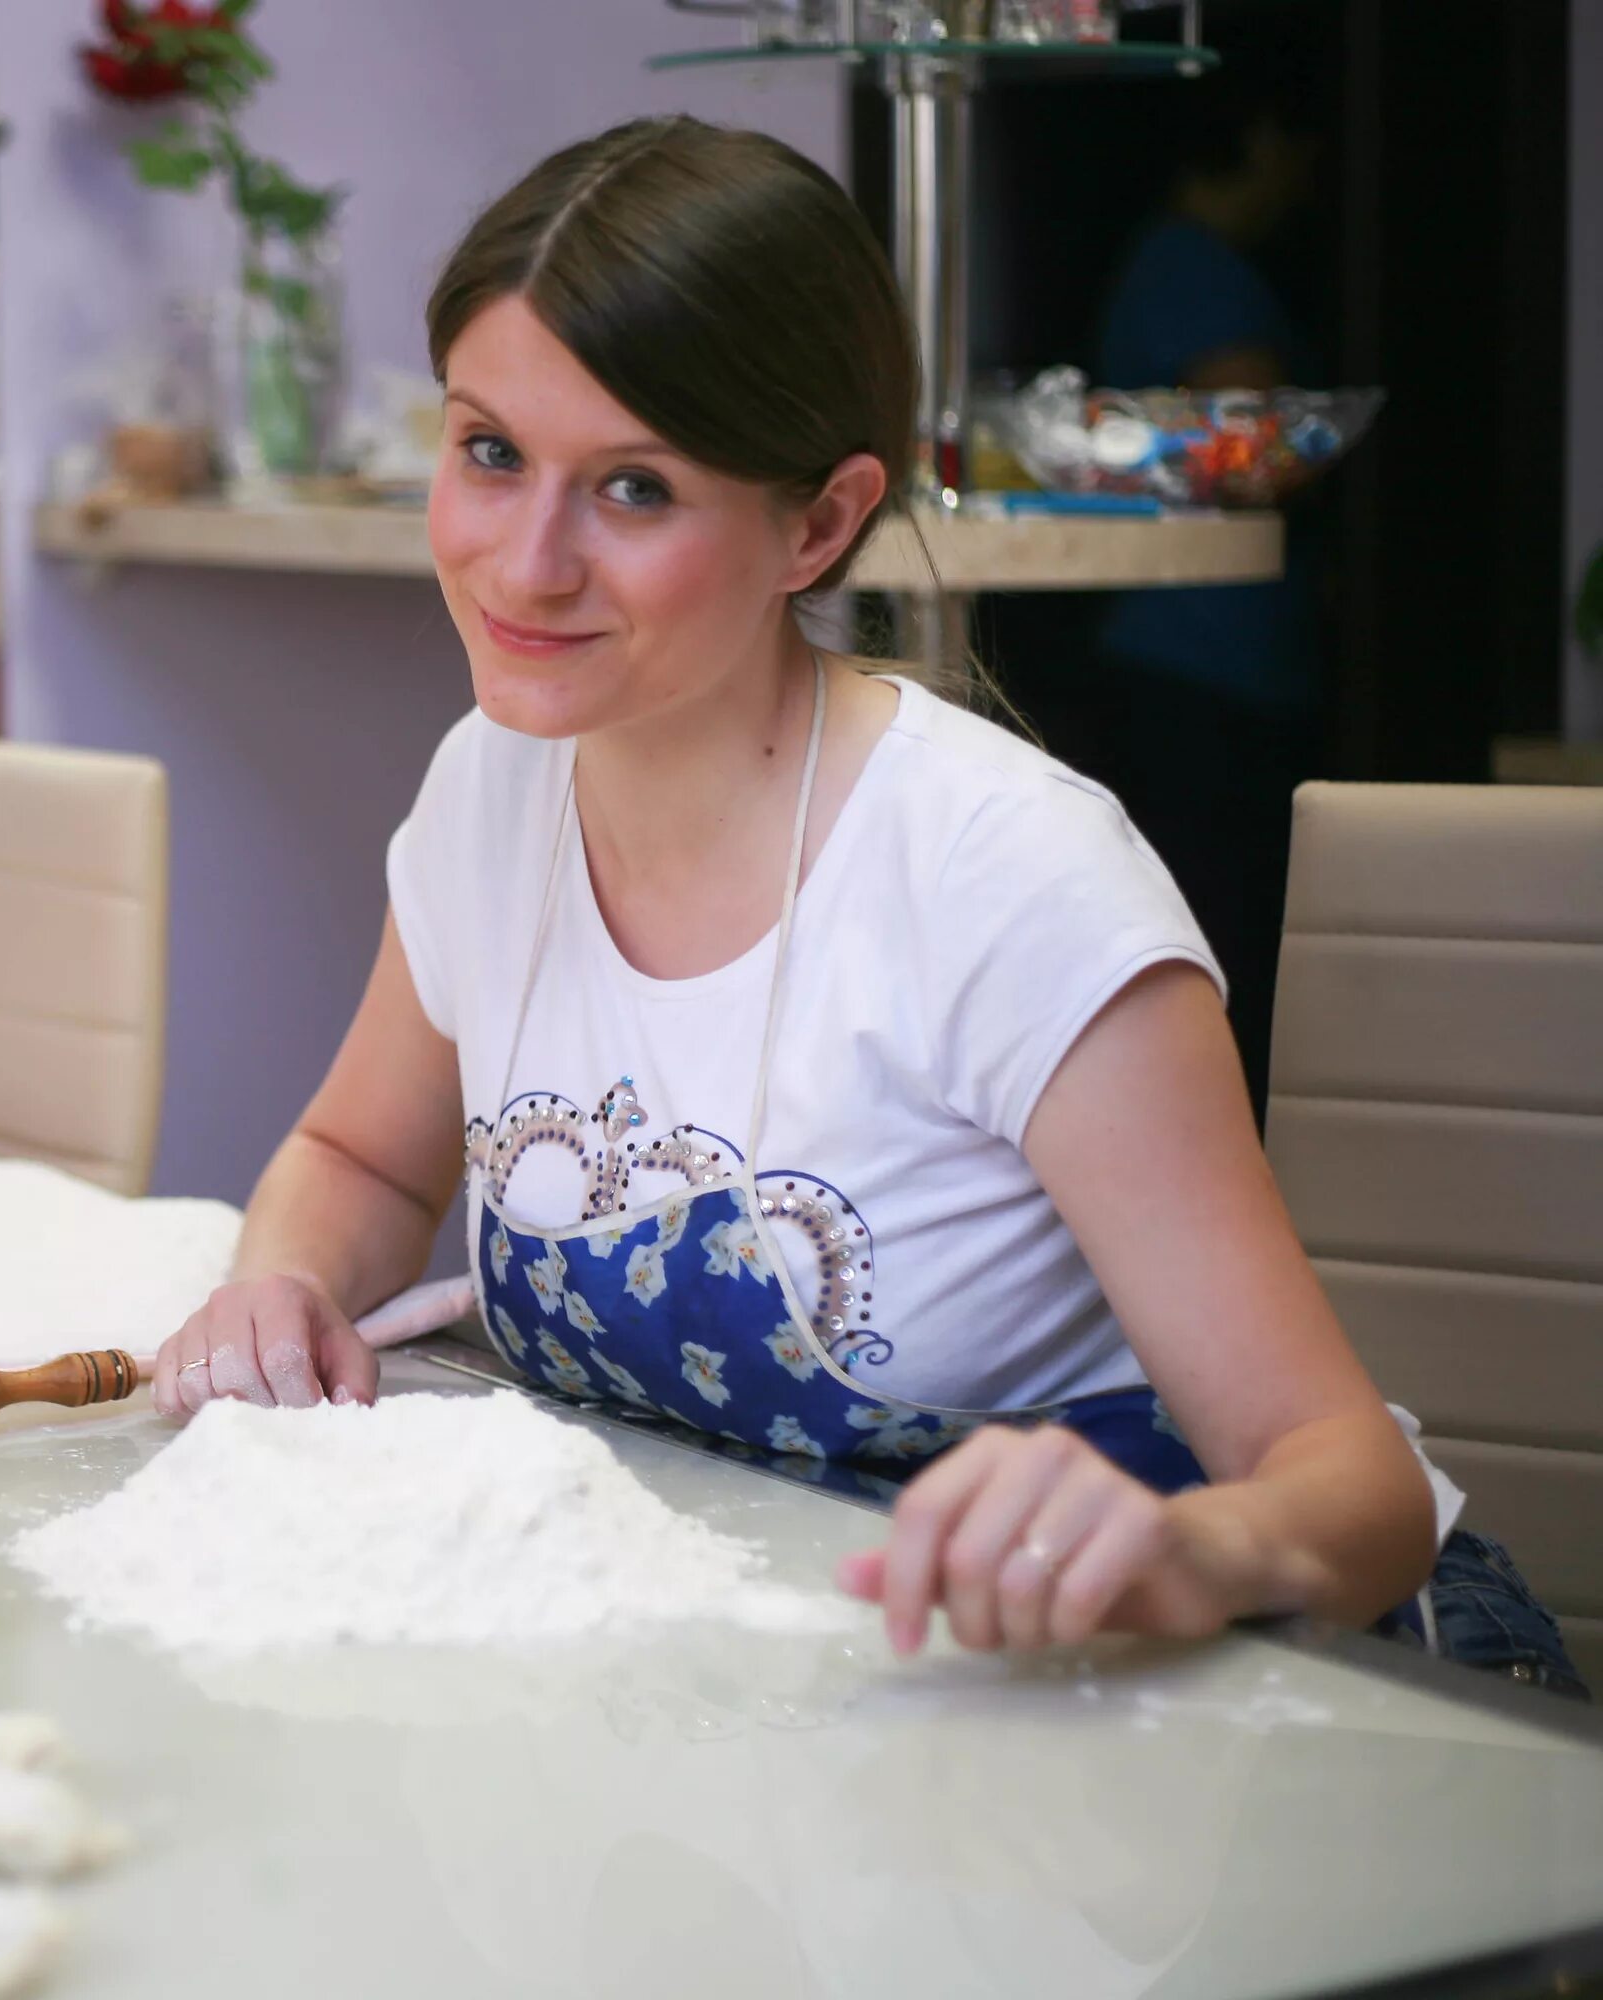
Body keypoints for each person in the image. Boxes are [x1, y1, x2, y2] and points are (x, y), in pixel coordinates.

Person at [148, 118, 1581, 1695]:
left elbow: (1345, 1484)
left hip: (1283, 1686)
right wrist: (279, 1280)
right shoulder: (492, 786)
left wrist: (1186, 1550)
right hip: (818, 1694)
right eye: (489, 451)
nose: (523, 563)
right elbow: (359, 1153)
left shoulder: (1003, 878)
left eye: (633, 488)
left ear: (820, 524)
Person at [1086, 82, 1325, 1111]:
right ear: (1261, 134)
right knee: (1218, 932)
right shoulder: (1195, 268)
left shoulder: (1169, 259)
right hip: (1196, 653)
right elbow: (1252, 454)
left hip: (1190, 651)